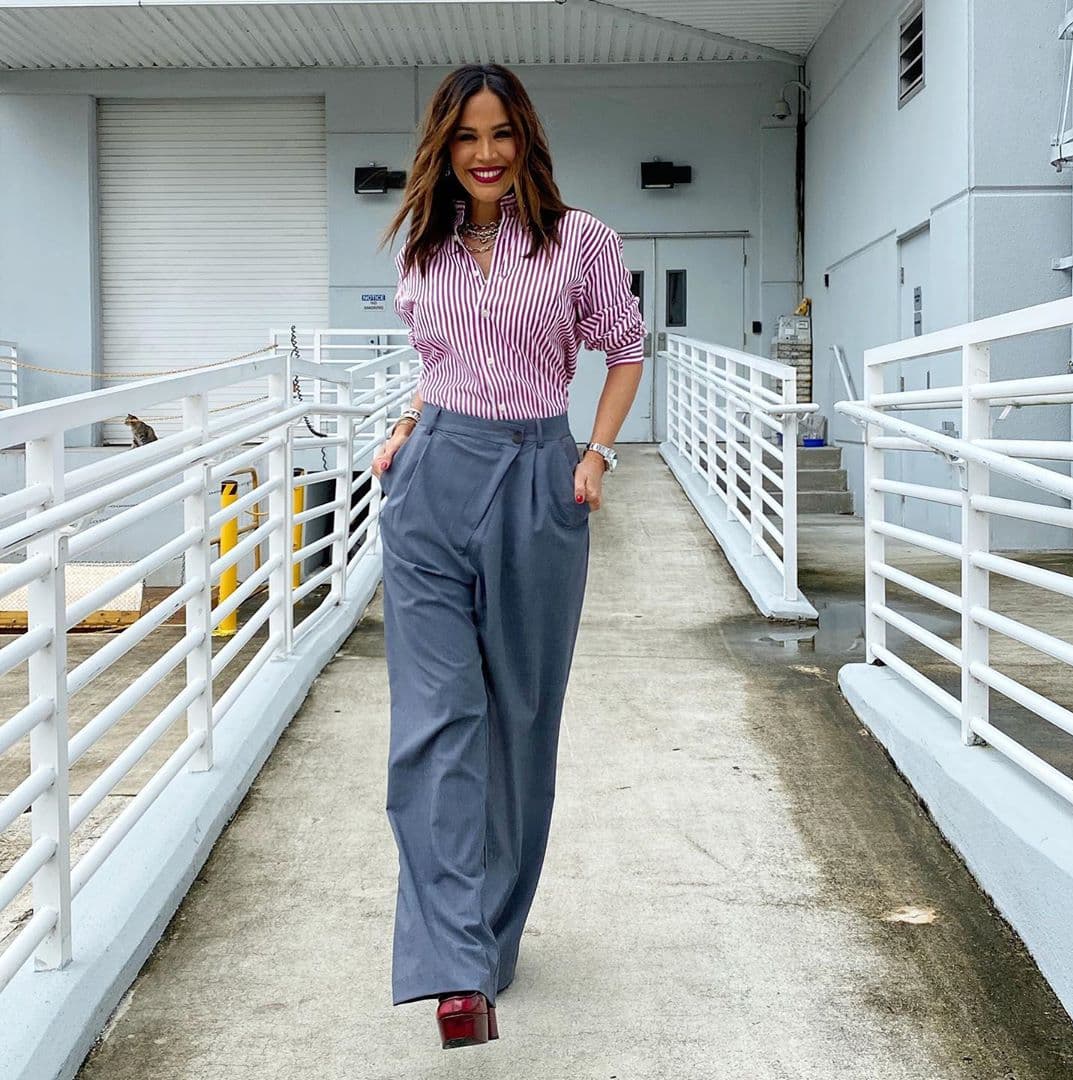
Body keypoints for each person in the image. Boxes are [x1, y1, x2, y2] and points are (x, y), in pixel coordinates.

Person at [373, 62, 646, 1050]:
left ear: (525, 138)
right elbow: (439, 362)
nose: (484, 154)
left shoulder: (582, 241)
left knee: (520, 725)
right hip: (434, 477)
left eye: (500, 133)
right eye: (465, 136)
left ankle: (490, 940)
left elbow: (625, 349)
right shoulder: (424, 245)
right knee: (436, 723)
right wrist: (409, 426)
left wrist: (596, 456)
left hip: (538, 474)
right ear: (441, 148)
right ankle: (453, 967)